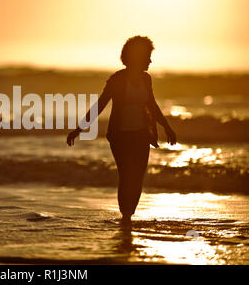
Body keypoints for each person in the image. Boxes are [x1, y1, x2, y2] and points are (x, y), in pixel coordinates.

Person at [67, 35, 177, 225]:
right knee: (127, 176)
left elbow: (152, 105)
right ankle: (125, 217)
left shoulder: (146, 79)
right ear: (137, 56)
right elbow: (99, 105)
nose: (150, 60)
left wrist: (167, 127)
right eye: (147, 56)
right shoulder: (118, 80)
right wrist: (79, 129)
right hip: (120, 136)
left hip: (142, 134)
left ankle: (128, 216)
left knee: (138, 177)